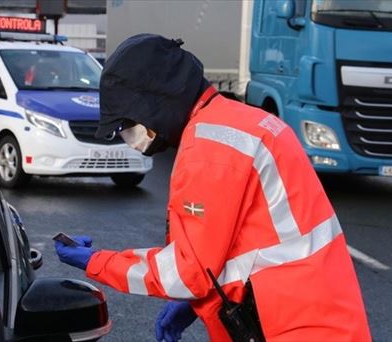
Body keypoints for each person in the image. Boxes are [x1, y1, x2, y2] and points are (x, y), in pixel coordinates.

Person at [54, 34, 371, 341]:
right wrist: (195, 302)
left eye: (126, 124)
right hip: (319, 316)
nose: (128, 136)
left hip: (289, 326)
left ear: (151, 102)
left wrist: (96, 261)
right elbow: (247, 240)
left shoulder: (208, 149)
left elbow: (188, 273)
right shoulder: (244, 122)